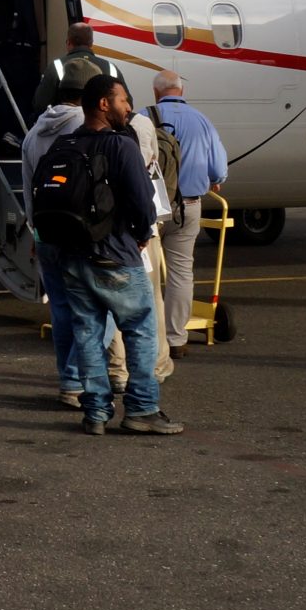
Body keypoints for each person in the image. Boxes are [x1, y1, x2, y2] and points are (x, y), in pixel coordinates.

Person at [54, 76, 181, 435]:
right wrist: (141, 237)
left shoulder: (65, 143)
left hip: (73, 256)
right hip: (115, 255)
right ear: (104, 104)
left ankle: (95, 412)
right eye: (123, 100)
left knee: (88, 333)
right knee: (140, 330)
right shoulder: (120, 146)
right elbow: (144, 202)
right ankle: (141, 408)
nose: (129, 107)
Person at [21, 68, 89, 409]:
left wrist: (34, 229)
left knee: (61, 310)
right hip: (79, 232)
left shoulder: (34, 133)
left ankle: (69, 381)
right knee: (96, 309)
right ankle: (81, 378)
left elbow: (28, 188)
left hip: (46, 231)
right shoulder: (86, 127)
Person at [103, 93, 175, 405]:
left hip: (114, 228)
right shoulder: (144, 125)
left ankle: (119, 370)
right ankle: (157, 365)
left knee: (114, 302)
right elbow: (150, 164)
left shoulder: (98, 132)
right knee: (151, 299)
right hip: (146, 226)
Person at [149, 71, 227, 357]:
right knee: (181, 272)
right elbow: (219, 170)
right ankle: (175, 338)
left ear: (157, 93)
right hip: (189, 205)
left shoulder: (144, 118)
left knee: (148, 272)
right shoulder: (202, 120)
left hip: (152, 208)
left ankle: (148, 339)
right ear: (181, 90)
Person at [30, 22, 125, 114]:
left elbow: (40, 105)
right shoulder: (111, 68)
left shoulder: (56, 66)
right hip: (103, 128)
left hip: (67, 128)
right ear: (91, 43)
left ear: (68, 42)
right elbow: (127, 103)